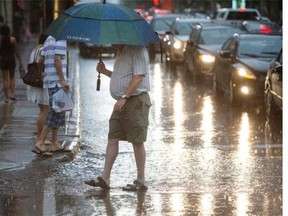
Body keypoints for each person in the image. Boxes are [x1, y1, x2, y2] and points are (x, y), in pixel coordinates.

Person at [85, 45, 152, 191]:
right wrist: (105, 71)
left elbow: (139, 76)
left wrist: (124, 97)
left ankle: (141, 181)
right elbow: (122, 76)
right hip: (122, 102)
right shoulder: (121, 51)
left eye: (114, 40)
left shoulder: (137, 49)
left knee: (137, 140)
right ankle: (105, 178)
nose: (112, 44)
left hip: (135, 101)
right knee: (113, 137)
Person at [33, 36, 69, 156]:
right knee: (54, 111)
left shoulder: (48, 39)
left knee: (58, 111)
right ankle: (41, 141)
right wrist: (63, 80)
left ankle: (55, 142)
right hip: (57, 82)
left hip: (49, 80)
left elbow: (40, 60)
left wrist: (41, 73)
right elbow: (57, 60)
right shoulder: (61, 40)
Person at [27, 33, 49, 142]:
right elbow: (41, 64)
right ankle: (40, 138)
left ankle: (40, 135)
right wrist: (41, 75)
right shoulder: (43, 50)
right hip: (41, 81)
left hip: (35, 82)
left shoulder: (34, 50)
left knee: (43, 110)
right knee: (44, 110)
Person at [0, 25, 23, 103]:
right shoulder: (12, 39)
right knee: (12, 78)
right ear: (9, 31)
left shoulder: (0, 40)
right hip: (11, 60)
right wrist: (20, 60)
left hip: (3, 60)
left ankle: (6, 98)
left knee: (5, 79)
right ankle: (12, 94)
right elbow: (16, 50)